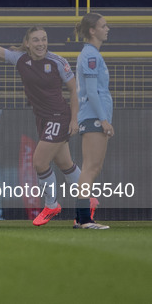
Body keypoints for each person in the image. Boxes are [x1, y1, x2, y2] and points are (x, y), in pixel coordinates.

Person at [0, 10, 82, 227]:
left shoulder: (57, 62)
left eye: (44, 39)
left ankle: (51, 205)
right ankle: (87, 199)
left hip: (59, 117)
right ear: (27, 43)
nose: (41, 43)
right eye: (36, 40)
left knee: (39, 161)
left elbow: (75, 90)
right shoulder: (20, 59)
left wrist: (74, 120)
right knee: (65, 164)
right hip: (42, 119)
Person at [74, 13, 112, 229]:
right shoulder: (91, 55)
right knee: (90, 168)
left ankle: (82, 219)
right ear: (92, 30)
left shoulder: (91, 54)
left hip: (91, 116)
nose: (107, 29)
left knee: (91, 168)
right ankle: (85, 219)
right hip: (93, 117)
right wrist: (104, 119)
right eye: (103, 26)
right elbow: (92, 91)